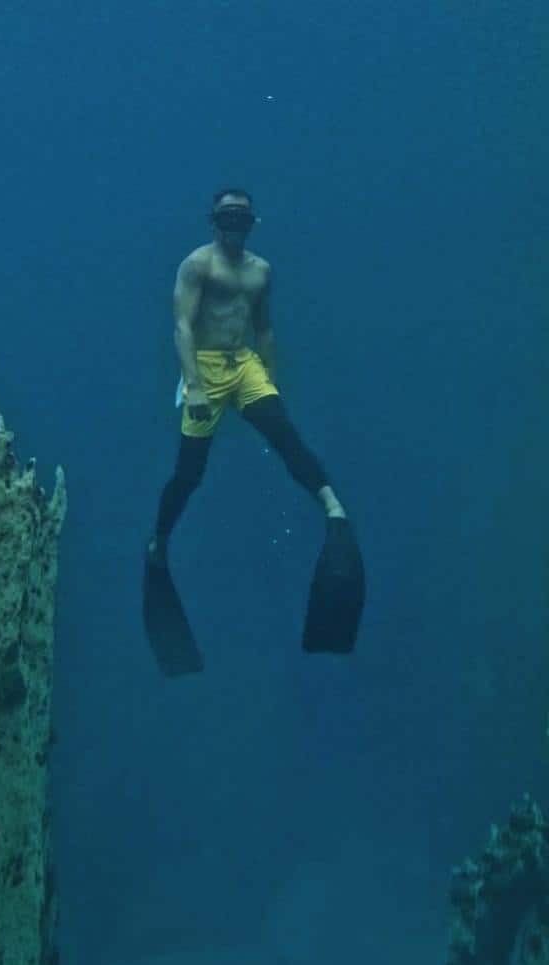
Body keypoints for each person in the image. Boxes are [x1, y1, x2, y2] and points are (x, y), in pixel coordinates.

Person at [142, 188, 363, 673]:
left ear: (251, 223)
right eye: (226, 218)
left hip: (244, 366)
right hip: (204, 367)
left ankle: (332, 505)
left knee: (285, 435)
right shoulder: (197, 265)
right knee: (190, 472)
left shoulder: (261, 271)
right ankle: (160, 538)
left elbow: (264, 328)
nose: (233, 226)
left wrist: (272, 380)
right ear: (213, 222)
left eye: (241, 218)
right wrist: (195, 387)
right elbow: (181, 326)